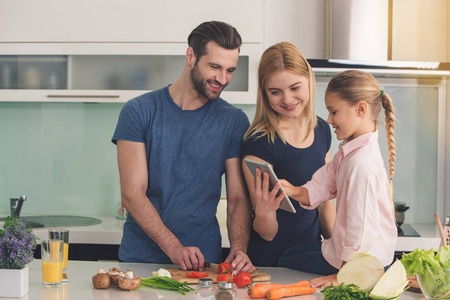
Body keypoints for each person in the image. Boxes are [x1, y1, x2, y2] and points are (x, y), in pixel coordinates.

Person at [111, 21, 255, 274]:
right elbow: (133, 194)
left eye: (230, 70)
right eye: (215, 67)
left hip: (203, 267)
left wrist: (239, 248)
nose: (222, 79)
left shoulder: (233, 121)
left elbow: (237, 199)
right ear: (191, 56)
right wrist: (175, 248)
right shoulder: (139, 111)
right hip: (140, 263)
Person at [280, 69, 398, 288]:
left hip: (360, 264)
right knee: (289, 255)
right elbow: (324, 182)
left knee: (284, 258)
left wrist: (342, 276)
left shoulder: (361, 164)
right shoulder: (350, 152)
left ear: (360, 109)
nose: (329, 120)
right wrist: (292, 190)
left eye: (334, 112)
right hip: (342, 252)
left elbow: (359, 231)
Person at [241, 42, 336, 270]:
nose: (287, 99)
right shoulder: (259, 142)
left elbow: (324, 203)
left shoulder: (322, 129)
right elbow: (266, 233)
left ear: (309, 81)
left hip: (311, 255)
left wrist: (340, 250)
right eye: (275, 92)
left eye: (295, 88)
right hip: (273, 263)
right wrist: (264, 212)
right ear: (264, 93)